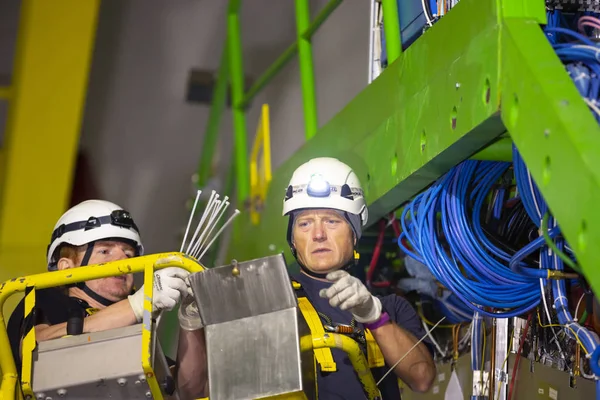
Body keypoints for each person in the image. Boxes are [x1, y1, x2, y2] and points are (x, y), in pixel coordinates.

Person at [6, 200, 207, 399]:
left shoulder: (138, 332)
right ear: (66, 267)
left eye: (129, 255)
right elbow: (36, 352)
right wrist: (136, 305)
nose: (122, 261)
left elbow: (189, 392)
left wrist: (191, 319)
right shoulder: (44, 299)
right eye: (105, 251)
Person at [282, 157, 436, 399]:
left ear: (354, 233)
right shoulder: (275, 302)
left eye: (332, 221)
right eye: (304, 223)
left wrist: (375, 317)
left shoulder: (391, 309)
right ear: (292, 239)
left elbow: (422, 378)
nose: (318, 234)